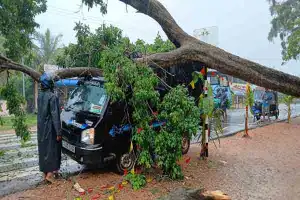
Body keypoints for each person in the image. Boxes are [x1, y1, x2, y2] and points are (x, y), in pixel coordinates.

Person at [37, 73, 62, 183]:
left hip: (41, 127)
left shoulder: (39, 96)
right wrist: (58, 132)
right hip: (50, 128)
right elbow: (55, 115)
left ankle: (45, 174)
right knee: (52, 150)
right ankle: (50, 174)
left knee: (43, 150)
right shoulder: (52, 97)